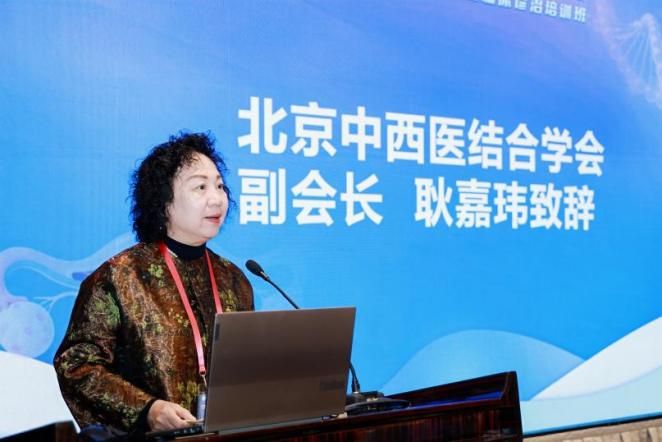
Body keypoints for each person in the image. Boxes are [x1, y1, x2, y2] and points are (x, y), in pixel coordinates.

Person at [54, 132, 254, 434]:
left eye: (220, 186)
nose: (217, 199)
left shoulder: (234, 279)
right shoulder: (119, 276)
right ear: (164, 202)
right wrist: (147, 409)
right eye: (200, 187)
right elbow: (77, 365)